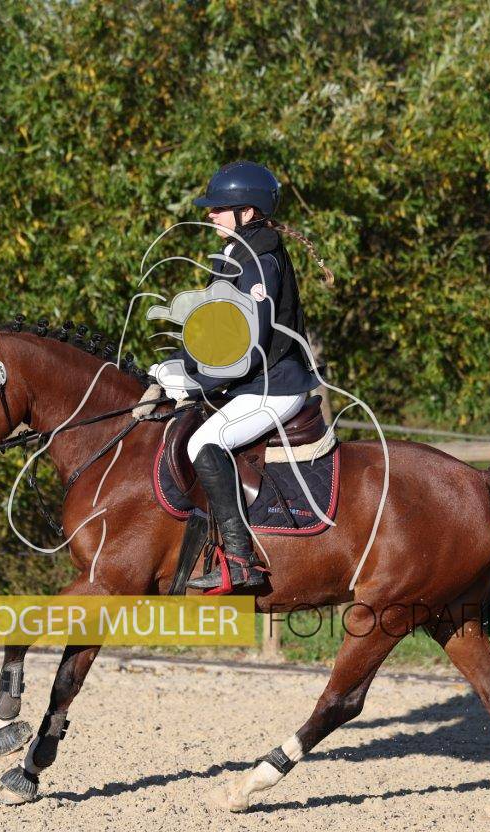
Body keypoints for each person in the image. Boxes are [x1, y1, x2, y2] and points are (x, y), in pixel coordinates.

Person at [148, 161, 322, 592]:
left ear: (247, 212)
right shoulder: (238, 254)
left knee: (204, 442)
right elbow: (217, 331)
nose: (210, 214)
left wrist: (196, 383)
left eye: (219, 208)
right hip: (253, 383)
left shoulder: (259, 262)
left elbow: (248, 344)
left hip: (275, 386)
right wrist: (178, 364)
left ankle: (241, 561)